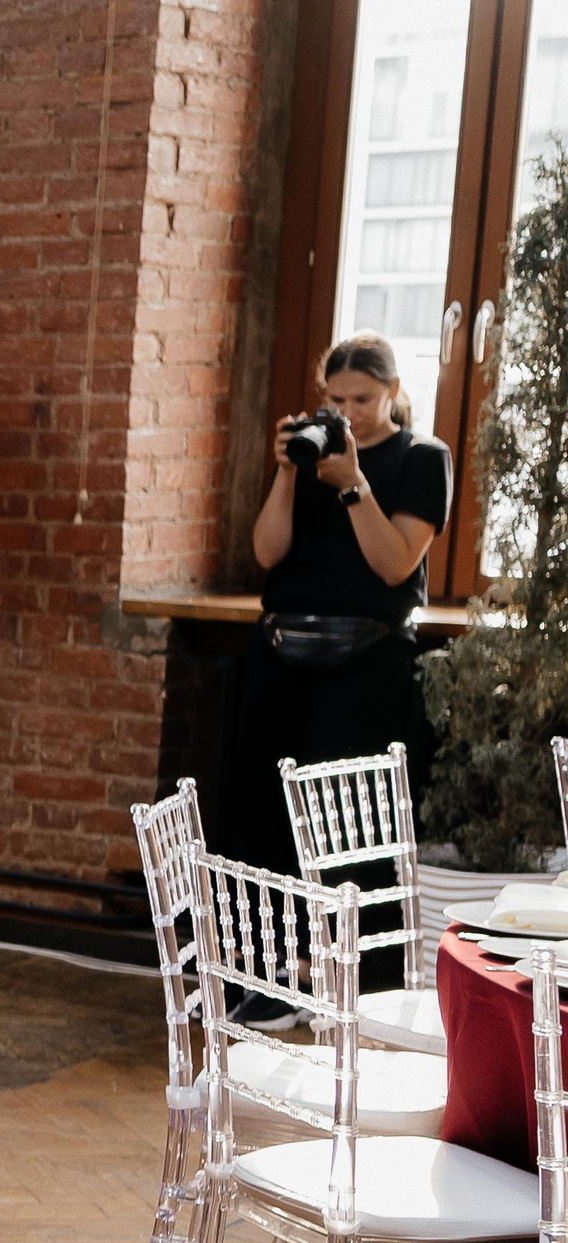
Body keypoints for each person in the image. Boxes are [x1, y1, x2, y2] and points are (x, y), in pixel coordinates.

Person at [223, 331, 451, 1024]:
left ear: (392, 393)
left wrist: (353, 484)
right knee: (260, 823)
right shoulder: (310, 450)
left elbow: (392, 565)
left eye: (363, 399)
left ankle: (356, 986)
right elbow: (267, 551)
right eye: (335, 398)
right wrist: (291, 471)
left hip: (368, 659)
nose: (348, 411)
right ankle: (262, 977)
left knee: (348, 825)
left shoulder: (421, 458)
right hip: (280, 650)